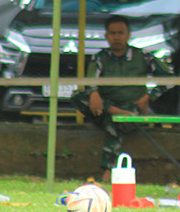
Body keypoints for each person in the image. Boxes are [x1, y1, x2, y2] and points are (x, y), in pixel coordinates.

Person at [72, 15, 171, 183]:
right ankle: (114, 112)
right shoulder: (100, 58)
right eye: (112, 33)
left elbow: (169, 77)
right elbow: (89, 82)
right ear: (106, 36)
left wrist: (148, 97)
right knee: (77, 96)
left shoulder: (142, 56)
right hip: (103, 107)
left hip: (132, 108)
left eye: (120, 33)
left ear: (128, 34)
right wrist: (93, 93)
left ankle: (107, 172)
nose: (116, 37)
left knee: (114, 122)